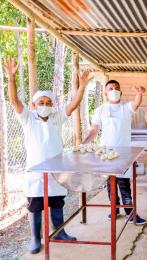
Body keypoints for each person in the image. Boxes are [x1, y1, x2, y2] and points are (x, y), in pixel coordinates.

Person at [3, 58, 90, 254]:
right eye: (41, 102)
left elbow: (74, 104)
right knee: (35, 205)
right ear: (34, 105)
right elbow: (15, 101)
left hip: (55, 171)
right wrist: (11, 78)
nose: (45, 105)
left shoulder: (56, 118)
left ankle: (59, 232)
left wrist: (82, 86)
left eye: (48, 103)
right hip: (35, 172)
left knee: (57, 201)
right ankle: (36, 239)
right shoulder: (28, 119)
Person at [82, 80, 147, 225]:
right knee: (110, 183)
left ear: (121, 92)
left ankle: (130, 212)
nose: (114, 90)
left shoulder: (126, 108)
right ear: (105, 92)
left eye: (117, 88)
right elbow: (94, 130)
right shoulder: (101, 110)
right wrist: (84, 143)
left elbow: (136, 103)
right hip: (106, 154)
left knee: (124, 183)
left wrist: (139, 93)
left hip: (123, 153)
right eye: (110, 88)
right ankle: (114, 208)